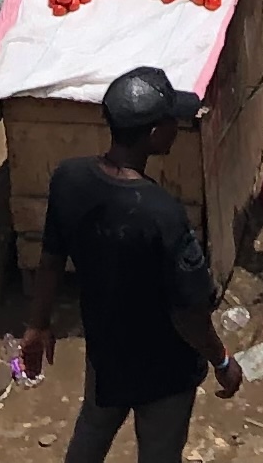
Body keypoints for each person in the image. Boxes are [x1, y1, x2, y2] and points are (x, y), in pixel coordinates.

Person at [23, 68, 243, 463]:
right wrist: (222, 360)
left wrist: (38, 324)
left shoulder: (69, 179)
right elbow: (188, 314)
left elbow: (52, 259)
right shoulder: (163, 214)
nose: (178, 125)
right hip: (165, 369)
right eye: (172, 120)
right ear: (155, 134)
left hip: (107, 349)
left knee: (92, 428)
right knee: (159, 451)